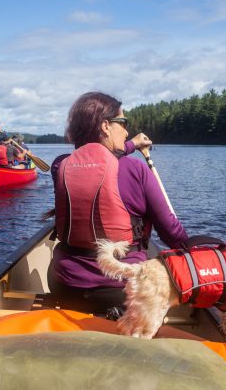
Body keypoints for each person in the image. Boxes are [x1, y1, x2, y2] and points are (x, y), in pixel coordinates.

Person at [47, 92, 188, 316]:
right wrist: (193, 250)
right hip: (121, 290)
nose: (126, 131)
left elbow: (100, 157)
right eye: (123, 123)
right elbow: (170, 232)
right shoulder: (137, 169)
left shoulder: (59, 166)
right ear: (105, 126)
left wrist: (132, 145)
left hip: (64, 285)